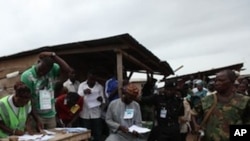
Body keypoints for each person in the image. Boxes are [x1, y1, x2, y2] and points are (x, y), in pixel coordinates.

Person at [192, 69, 250, 141]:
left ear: (232, 81)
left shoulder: (244, 100)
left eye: (221, 80)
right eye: (216, 80)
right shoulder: (207, 100)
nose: (216, 83)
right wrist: (196, 126)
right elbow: (193, 113)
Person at [21, 51, 72, 129]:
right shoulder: (27, 76)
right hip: (36, 116)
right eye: (40, 70)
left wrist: (53, 55)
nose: (41, 73)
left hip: (50, 115)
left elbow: (67, 70)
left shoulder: (53, 69)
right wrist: (37, 119)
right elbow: (29, 100)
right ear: (38, 62)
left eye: (44, 72)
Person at [78, 70, 106, 141]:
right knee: (85, 134)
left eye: (94, 79)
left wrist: (101, 99)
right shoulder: (82, 85)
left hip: (96, 114)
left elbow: (103, 101)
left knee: (97, 134)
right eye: (91, 79)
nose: (92, 81)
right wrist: (84, 92)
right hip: (84, 114)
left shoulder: (99, 87)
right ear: (87, 77)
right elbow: (77, 97)